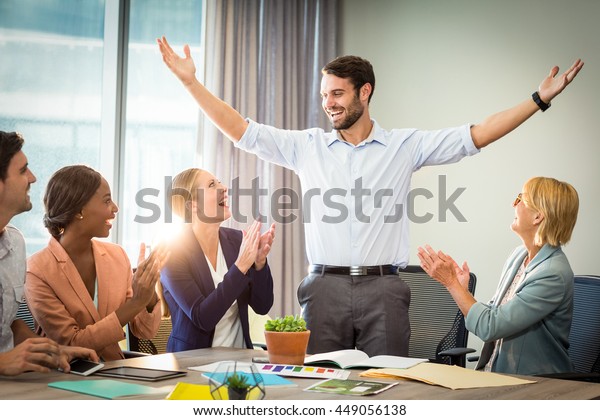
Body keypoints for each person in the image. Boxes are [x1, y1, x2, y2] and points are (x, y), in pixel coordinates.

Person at [157, 35, 584, 357]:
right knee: (319, 391)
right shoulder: (307, 147)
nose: (329, 104)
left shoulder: (405, 146)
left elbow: (478, 134)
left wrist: (538, 100)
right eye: (325, 95)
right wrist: (191, 84)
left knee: (392, 392)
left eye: (338, 94)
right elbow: (239, 129)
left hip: (385, 289)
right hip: (323, 290)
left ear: (365, 92)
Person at [417, 177, 579, 375]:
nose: (514, 203)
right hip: (496, 373)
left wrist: (451, 283)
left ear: (538, 217)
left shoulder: (552, 273)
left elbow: (490, 326)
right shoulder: (519, 256)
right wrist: (462, 288)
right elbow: (495, 313)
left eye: (521, 198)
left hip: (535, 384)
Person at [25, 165, 168, 361]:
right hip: (63, 378)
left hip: (114, 373)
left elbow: (145, 331)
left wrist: (148, 291)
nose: (115, 208)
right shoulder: (37, 270)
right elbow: (73, 344)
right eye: (107, 201)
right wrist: (136, 303)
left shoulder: (117, 256)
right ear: (79, 210)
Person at [0, 131, 98, 376]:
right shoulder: (40, 265)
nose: (32, 178)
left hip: (17, 387)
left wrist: (51, 350)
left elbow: (7, 323)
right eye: (22, 171)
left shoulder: (16, 243)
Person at [160, 168, 274, 351]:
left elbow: (263, 306)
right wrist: (241, 266)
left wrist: (259, 265)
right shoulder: (172, 254)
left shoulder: (237, 241)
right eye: (212, 185)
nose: (224, 188)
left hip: (241, 361)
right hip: (193, 363)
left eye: (219, 182)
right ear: (192, 205)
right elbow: (202, 318)